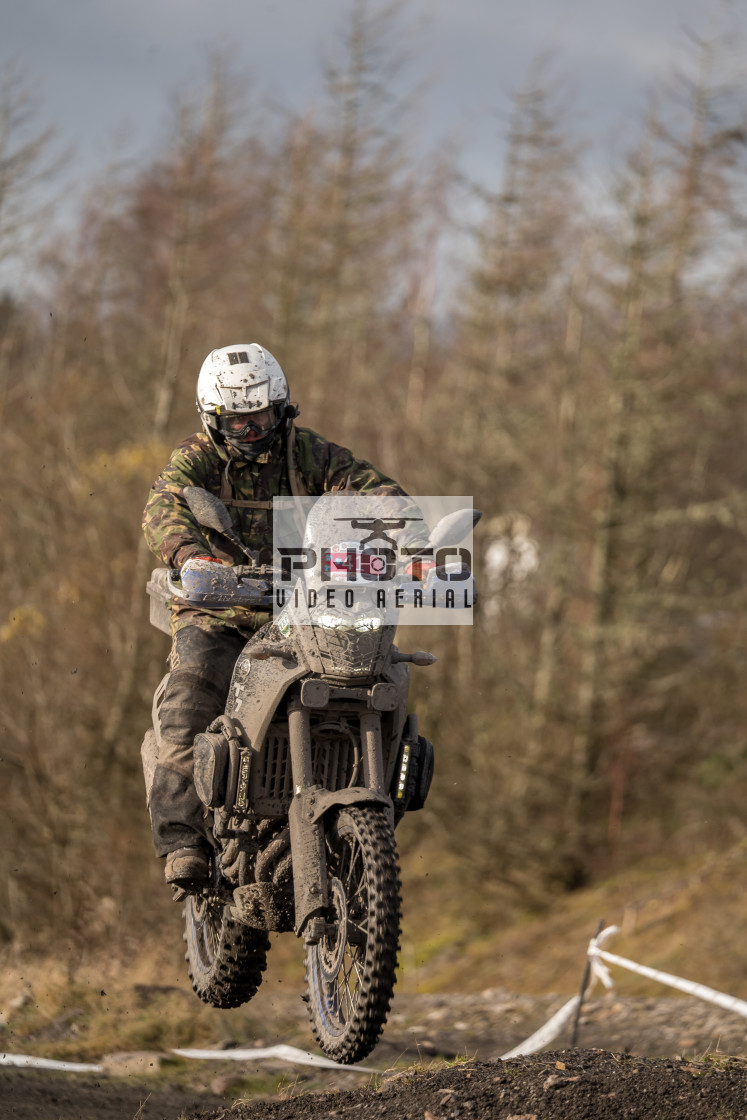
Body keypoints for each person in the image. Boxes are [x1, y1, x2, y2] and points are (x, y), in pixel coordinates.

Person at [142, 343, 413, 892]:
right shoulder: (197, 459)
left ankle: (369, 805)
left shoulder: (310, 454)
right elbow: (164, 505)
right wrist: (191, 557)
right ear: (214, 417)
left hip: (303, 608)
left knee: (381, 676)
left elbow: (375, 492)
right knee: (190, 694)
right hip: (218, 606)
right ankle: (183, 839)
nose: (250, 426)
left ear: (281, 407)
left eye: (260, 414)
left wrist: (415, 544)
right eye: (237, 418)